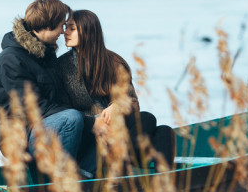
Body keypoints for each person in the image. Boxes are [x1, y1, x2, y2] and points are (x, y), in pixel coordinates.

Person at [57, 9, 174, 172]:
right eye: (65, 27)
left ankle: (163, 179)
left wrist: (117, 106)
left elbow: (132, 101)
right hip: (89, 131)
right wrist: (96, 121)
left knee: (158, 126)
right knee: (153, 126)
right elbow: (64, 111)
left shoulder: (114, 62)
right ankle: (132, 160)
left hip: (118, 127)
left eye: (71, 28)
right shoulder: (61, 67)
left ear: (88, 31)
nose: (65, 32)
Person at [0, 0, 84, 163]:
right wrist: (89, 121)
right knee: (72, 119)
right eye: (61, 26)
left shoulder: (46, 54)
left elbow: (60, 99)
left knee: (96, 130)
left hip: (48, 126)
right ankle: (62, 179)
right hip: (20, 138)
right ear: (48, 25)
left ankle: (88, 176)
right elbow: (35, 108)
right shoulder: (11, 59)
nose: (64, 31)